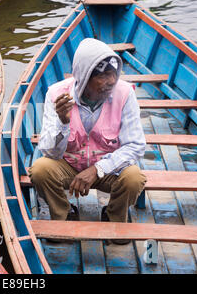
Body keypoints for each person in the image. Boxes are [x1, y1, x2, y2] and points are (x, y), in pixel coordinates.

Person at [28, 38, 147, 245]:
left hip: (108, 168)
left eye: (113, 74)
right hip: (69, 165)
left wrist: (97, 169)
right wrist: (63, 123)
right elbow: (49, 152)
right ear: (84, 78)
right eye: (102, 76)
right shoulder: (56, 94)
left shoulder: (125, 93)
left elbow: (135, 145)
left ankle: (113, 217)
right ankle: (64, 215)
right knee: (39, 169)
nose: (110, 81)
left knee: (134, 178)